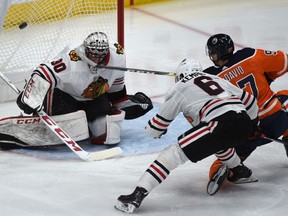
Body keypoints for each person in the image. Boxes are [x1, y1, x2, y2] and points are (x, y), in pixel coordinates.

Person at [114, 58, 259, 213]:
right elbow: (250, 101)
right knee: (217, 142)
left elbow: (155, 129)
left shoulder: (179, 87)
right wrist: (253, 126)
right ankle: (239, 171)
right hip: (242, 121)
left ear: (180, 75)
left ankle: (137, 195)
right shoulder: (217, 79)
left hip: (220, 123)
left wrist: (153, 124)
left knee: (172, 153)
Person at [15, 31, 153, 146]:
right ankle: (50, 118)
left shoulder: (118, 56)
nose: (96, 60)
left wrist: (123, 102)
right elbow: (43, 72)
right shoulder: (71, 60)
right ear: (86, 50)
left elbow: (116, 85)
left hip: (93, 98)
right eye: (92, 55)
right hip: (65, 96)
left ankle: (84, 123)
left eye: (100, 56)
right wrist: (30, 98)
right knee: (62, 133)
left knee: (106, 134)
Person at [203, 33, 288, 193]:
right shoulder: (250, 55)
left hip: (245, 134)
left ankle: (223, 167)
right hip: (275, 121)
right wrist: (267, 76)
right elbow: (284, 62)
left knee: (228, 157)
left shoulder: (209, 77)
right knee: (285, 95)